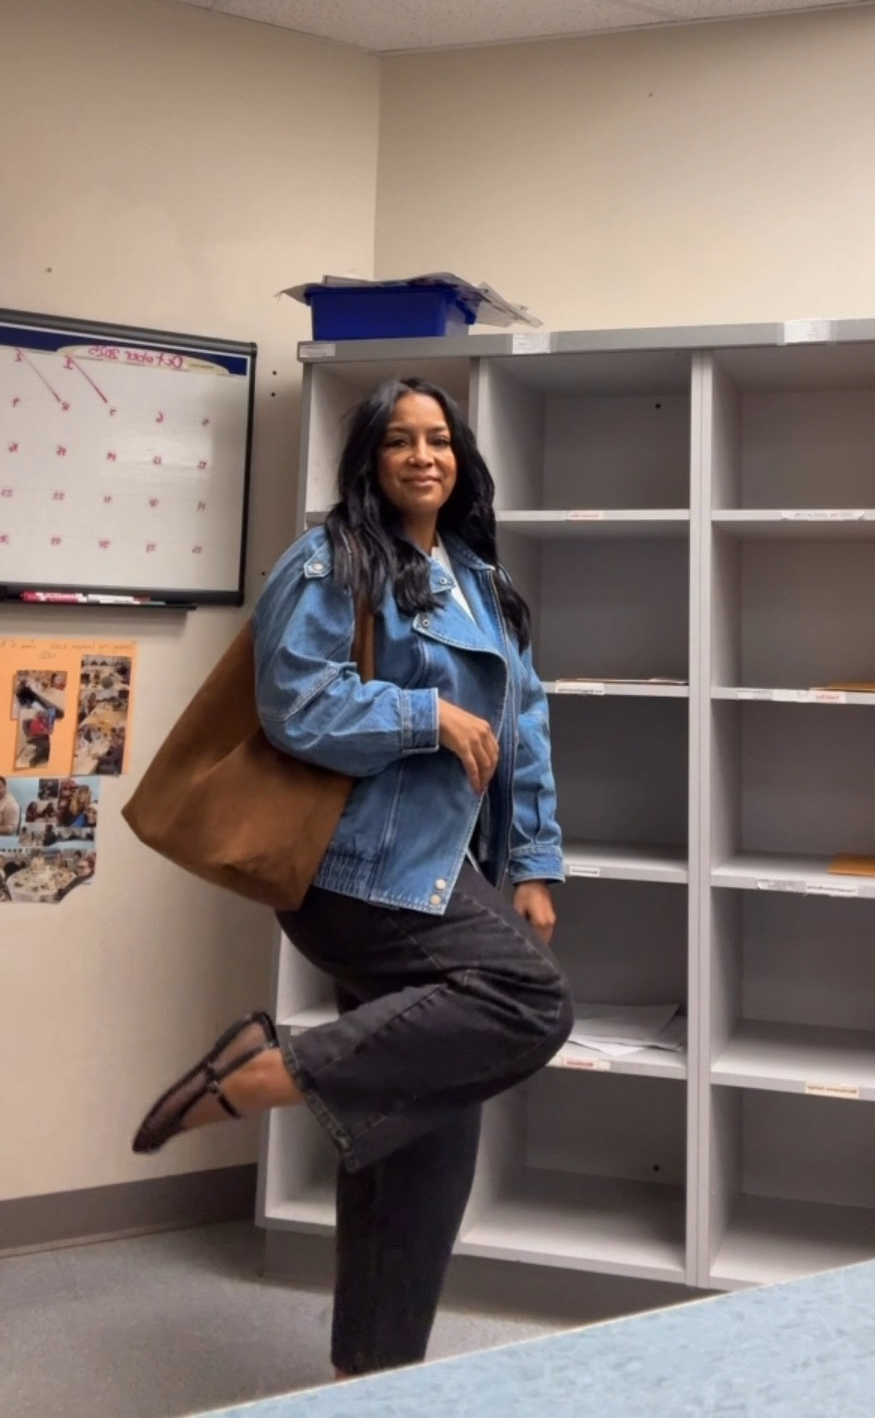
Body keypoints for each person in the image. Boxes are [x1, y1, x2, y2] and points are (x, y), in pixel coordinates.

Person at [132, 377, 572, 1379]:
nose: (424, 457)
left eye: (440, 440)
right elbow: (298, 705)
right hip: (358, 871)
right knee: (530, 1002)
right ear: (368, 460)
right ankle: (266, 1068)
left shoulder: (480, 581)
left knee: (424, 1135)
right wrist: (429, 717)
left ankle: (373, 1378)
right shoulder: (330, 560)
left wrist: (535, 863)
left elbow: (527, 724)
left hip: (440, 863)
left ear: (462, 460)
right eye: (399, 442)